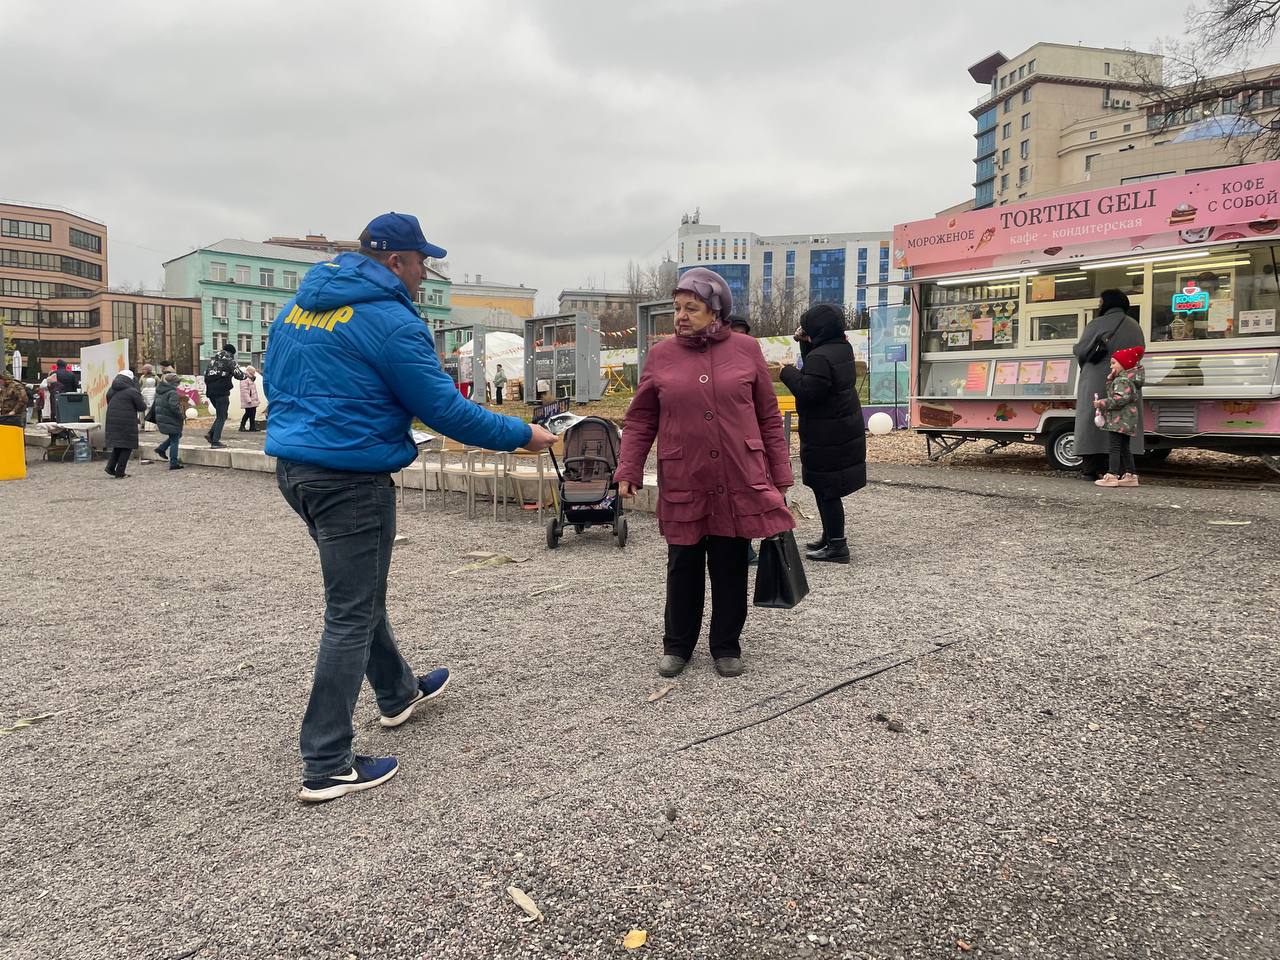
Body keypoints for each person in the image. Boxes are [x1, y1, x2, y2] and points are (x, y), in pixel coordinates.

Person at [264, 211, 556, 803]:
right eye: (422, 261)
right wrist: (524, 437)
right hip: (351, 478)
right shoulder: (392, 321)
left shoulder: (298, 308)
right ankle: (326, 760)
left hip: (297, 470)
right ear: (395, 261)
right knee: (349, 611)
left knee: (360, 593)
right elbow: (445, 410)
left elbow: (277, 383)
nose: (425, 273)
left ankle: (397, 693)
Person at [615, 267, 794, 680]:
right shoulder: (661, 355)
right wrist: (630, 467)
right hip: (685, 474)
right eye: (677, 308)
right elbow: (641, 419)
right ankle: (677, 645)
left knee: (731, 561)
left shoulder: (746, 349)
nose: (680, 316)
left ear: (715, 310)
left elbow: (769, 417)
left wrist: (779, 474)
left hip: (738, 474)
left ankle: (726, 644)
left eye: (690, 308)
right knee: (683, 562)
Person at [779, 303, 866, 563]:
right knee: (825, 487)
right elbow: (818, 370)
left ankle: (837, 546)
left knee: (826, 489)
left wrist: (786, 372)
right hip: (838, 428)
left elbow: (808, 390)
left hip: (826, 433)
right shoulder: (841, 348)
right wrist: (805, 342)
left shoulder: (821, 357)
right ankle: (830, 537)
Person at [1073, 290, 1145, 479]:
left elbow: (1081, 351)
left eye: (1101, 301)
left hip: (1096, 379)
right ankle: (1124, 470)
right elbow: (1140, 352)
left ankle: (1090, 469)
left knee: (1093, 419)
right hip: (1127, 381)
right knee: (1122, 422)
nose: (1099, 304)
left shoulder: (1096, 324)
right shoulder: (1135, 326)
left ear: (1108, 303)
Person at [1092, 346, 1146, 487]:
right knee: (1124, 448)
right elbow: (1120, 395)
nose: (1111, 366)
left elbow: (1119, 399)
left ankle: (1112, 475)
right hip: (1127, 420)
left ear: (1125, 364)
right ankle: (1130, 475)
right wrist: (1110, 380)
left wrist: (1101, 403)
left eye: (1114, 363)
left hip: (1120, 419)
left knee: (1114, 447)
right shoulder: (1127, 380)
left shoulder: (1122, 381)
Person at [103, 369, 145, 478]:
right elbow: (141, 407)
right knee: (127, 446)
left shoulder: (112, 389)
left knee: (118, 445)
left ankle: (110, 467)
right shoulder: (132, 391)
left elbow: (108, 401)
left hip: (112, 419)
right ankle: (120, 472)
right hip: (127, 421)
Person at [203, 344, 244, 448]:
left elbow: (206, 377)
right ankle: (215, 441)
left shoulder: (212, 362)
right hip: (222, 392)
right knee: (222, 417)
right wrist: (247, 376)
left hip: (211, 393)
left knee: (221, 415)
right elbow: (239, 375)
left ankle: (211, 434)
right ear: (232, 353)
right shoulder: (230, 361)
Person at [152, 371, 186, 470]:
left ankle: (161, 448)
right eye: (178, 382)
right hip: (171, 418)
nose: (179, 384)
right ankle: (174, 462)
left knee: (177, 435)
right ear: (174, 383)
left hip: (162, 417)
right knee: (175, 439)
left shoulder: (160, 390)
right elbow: (174, 407)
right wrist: (181, 416)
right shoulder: (172, 392)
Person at [238, 367, 261, 431]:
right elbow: (244, 390)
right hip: (249, 400)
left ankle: (252, 427)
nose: (254, 374)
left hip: (252, 399)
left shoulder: (250, 379)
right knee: (248, 413)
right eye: (253, 372)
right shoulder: (245, 379)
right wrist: (248, 399)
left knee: (252, 413)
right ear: (250, 372)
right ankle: (242, 426)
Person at [138, 363, 158, 431]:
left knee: (151, 411)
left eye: (144, 369)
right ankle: (142, 423)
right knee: (142, 411)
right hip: (143, 395)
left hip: (152, 395)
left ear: (148, 370)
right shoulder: (142, 377)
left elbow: (159, 385)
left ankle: (152, 425)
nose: (143, 370)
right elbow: (139, 385)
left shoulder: (155, 377)